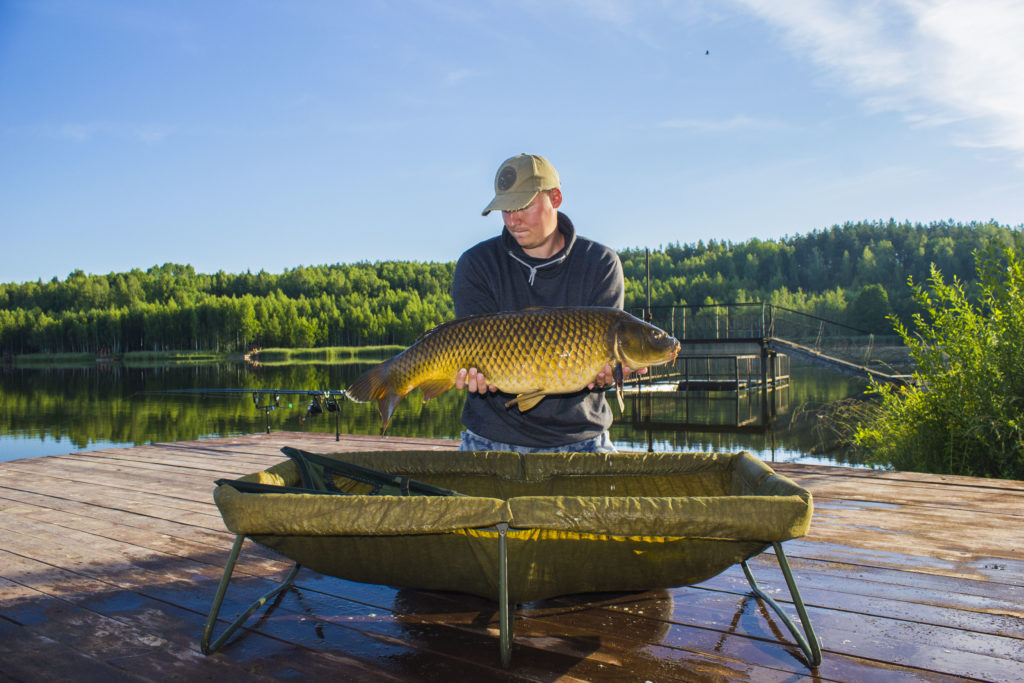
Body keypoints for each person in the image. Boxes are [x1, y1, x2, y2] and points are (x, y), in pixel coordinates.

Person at [451, 153, 645, 453]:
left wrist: (611, 375)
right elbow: (471, 347)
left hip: (582, 440)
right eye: (505, 209)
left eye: (523, 206)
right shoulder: (476, 265)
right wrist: (472, 375)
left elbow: (604, 365)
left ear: (555, 197)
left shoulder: (600, 264)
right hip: (489, 439)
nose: (512, 220)